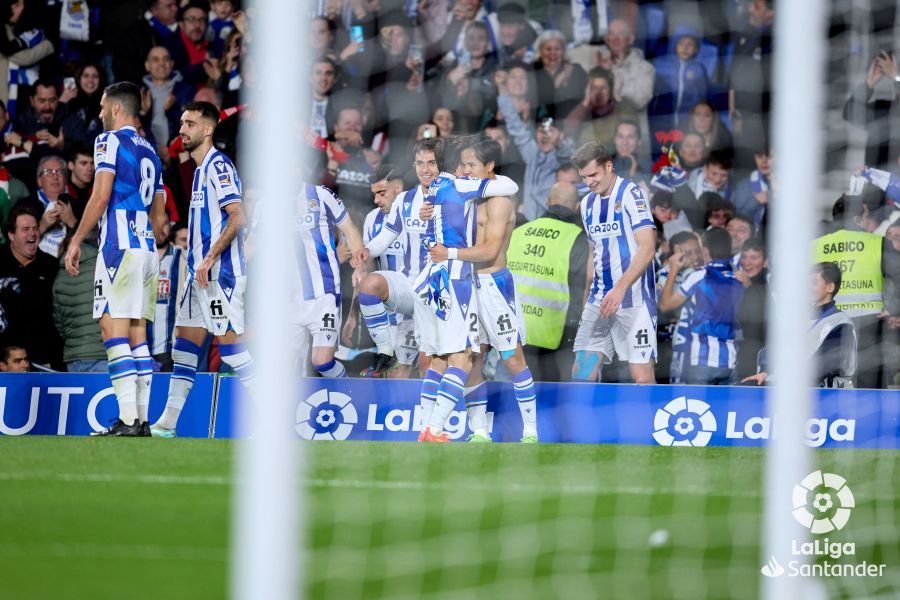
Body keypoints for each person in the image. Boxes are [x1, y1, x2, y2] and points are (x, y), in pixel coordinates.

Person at [64, 82, 168, 436]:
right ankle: (141, 420)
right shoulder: (151, 151)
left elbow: (101, 195)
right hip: (147, 248)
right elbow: (160, 216)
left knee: (112, 330)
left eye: (102, 106)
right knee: (137, 335)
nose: (99, 113)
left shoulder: (109, 141)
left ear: (117, 109)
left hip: (118, 247)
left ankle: (128, 419)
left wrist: (76, 239)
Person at [150, 101, 259, 437]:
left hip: (220, 275)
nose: (182, 129)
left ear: (209, 129)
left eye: (190, 123)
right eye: (182, 123)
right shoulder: (199, 171)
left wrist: (210, 258)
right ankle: (167, 424)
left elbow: (238, 217)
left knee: (232, 349)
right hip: (199, 278)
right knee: (184, 347)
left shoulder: (218, 165)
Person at [427, 136, 537, 442]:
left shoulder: (500, 201)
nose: (465, 170)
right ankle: (479, 431)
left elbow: (490, 250)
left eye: (471, 164)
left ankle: (530, 431)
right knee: (471, 358)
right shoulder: (469, 195)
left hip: (494, 286)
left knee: (512, 357)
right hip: (467, 284)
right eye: (462, 164)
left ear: (489, 166)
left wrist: (448, 254)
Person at [570, 141, 658, 384]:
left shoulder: (632, 194)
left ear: (609, 166)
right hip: (600, 299)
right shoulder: (587, 204)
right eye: (584, 177)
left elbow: (648, 247)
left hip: (635, 300)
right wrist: (587, 299)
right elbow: (594, 253)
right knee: (581, 373)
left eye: (593, 175)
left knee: (641, 378)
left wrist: (620, 288)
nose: (588, 182)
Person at [352, 146, 435, 378]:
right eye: (420, 163)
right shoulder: (402, 204)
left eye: (431, 163)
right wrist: (366, 251)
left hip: (437, 292)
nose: (425, 169)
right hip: (404, 292)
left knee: (429, 366)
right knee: (399, 370)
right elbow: (386, 236)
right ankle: (385, 351)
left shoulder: (451, 198)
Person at [508, 180, 588, 382]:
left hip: (515, 333)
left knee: (520, 392)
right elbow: (579, 290)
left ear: (547, 201)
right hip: (556, 338)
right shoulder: (577, 238)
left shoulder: (518, 233)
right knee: (553, 395)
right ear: (577, 206)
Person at [813, 195, 895, 388]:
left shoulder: (814, 246)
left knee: (828, 385)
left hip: (826, 324)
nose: (867, 222)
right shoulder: (878, 243)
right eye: (866, 217)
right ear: (856, 219)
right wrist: (895, 308)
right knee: (870, 390)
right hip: (868, 324)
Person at [743, 262, 857, 388]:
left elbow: (821, 367)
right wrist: (765, 372)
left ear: (829, 288)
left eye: (813, 282)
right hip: (795, 388)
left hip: (828, 395)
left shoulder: (841, 322)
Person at [659, 227, 744, 384]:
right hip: (730, 360)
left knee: (695, 401)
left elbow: (665, 306)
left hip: (702, 359)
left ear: (705, 251)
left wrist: (673, 270)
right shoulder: (740, 278)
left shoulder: (699, 276)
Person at [496, 70, 573, 220]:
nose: (545, 135)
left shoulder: (561, 156)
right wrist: (502, 88)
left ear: (560, 134)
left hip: (553, 222)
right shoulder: (532, 152)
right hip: (531, 224)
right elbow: (514, 122)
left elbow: (567, 152)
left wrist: (560, 142)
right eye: (540, 130)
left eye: (550, 131)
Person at [0, 204, 61, 369]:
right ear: (11, 234)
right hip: (5, 363)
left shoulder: (51, 266)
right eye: (25, 229)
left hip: (44, 360)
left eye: (35, 228)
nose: (32, 233)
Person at [52, 228, 106, 372]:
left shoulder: (60, 275)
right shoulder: (103, 266)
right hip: (102, 352)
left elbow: (59, 322)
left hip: (73, 356)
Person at [655, 231, 703, 383]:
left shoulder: (703, 273)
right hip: (667, 344)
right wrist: (674, 270)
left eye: (698, 251)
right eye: (688, 254)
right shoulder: (664, 274)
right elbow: (664, 307)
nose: (696, 257)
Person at [140, 46, 195, 157]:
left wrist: (172, 110)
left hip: (179, 153)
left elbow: (193, 125)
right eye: (155, 60)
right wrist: (143, 113)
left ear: (171, 64)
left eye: (165, 59)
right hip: (147, 153)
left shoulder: (186, 90)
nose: (161, 63)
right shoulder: (139, 92)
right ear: (147, 66)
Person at [15, 79, 88, 160]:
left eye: (52, 100)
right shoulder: (21, 123)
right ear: (32, 101)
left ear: (58, 99)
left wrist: (63, 146)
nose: (47, 107)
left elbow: (85, 154)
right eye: (42, 101)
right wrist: (34, 138)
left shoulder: (74, 122)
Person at [113, 0, 179, 86]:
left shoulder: (180, 29)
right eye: (169, 6)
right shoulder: (133, 34)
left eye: (175, 4)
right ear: (154, 10)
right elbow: (123, 69)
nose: (175, 9)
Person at [532, 30, 587, 121]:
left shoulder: (575, 70)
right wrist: (557, 83)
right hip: (541, 122)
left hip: (573, 122)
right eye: (548, 49)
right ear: (540, 51)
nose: (552, 53)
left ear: (563, 51)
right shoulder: (532, 72)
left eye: (557, 49)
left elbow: (584, 99)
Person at [735, 237, 769, 379]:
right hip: (732, 356)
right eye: (744, 257)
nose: (747, 263)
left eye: (754, 258)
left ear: (765, 262)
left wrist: (749, 287)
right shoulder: (734, 283)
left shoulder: (771, 287)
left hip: (756, 359)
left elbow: (762, 325)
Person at [33, 155, 77, 258]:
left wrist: (72, 222)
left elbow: (91, 243)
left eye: (60, 172)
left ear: (66, 179)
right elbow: (16, 242)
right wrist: (42, 227)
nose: (55, 177)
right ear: (39, 180)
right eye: (48, 172)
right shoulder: (25, 205)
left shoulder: (79, 205)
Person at [163, 2, 212, 88]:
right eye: (191, 19)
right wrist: (205, 66)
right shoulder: (170, 45)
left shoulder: (213, 45)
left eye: (201, 20)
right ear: (181, 24)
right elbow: (169, 76)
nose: (197, 25)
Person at [66, 141, 94, 218]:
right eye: (84, 163)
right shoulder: (62, 191)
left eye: (92, 163)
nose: (90, 168)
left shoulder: (98, 190)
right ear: (71, 165)